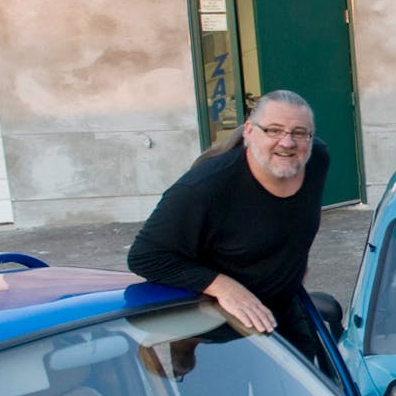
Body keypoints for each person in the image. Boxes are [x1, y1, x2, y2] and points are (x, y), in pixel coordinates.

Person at [127, 91, 332, 366]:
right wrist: (225, 287)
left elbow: (291, 219)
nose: (287, 142)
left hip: (282, 312)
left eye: (299, 132)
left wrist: (292, 263)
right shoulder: (204, 189)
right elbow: (145, 256)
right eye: (274, 130)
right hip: (219, 331)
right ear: (249, 131)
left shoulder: (316, 159)